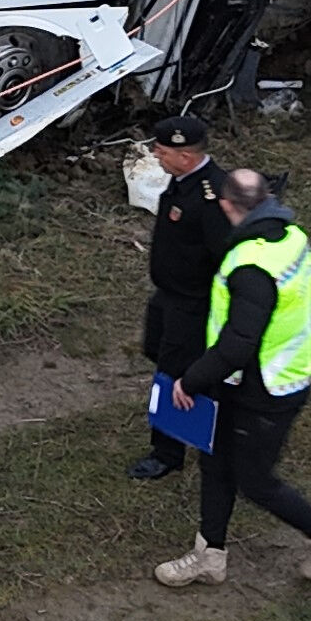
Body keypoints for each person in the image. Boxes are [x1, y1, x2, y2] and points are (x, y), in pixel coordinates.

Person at [151, 167, 311, 588]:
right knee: (214, 462)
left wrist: (189, 381)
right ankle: (210, 555)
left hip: (268, 389)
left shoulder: (251, 266)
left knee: (254, 479)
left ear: (227, 206)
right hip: (252, 379)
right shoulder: (291, 237)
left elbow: (239, 341)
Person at [131, 107, 233, 482]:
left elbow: (225, 256)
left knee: (174, 371)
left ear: (185, 155)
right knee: (157, 352)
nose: (156, 155)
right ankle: (200, 412)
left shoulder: (211, 196)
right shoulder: (183, 180)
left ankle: (167, 451)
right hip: (168, 295)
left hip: (192, 304)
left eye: (162, 150)